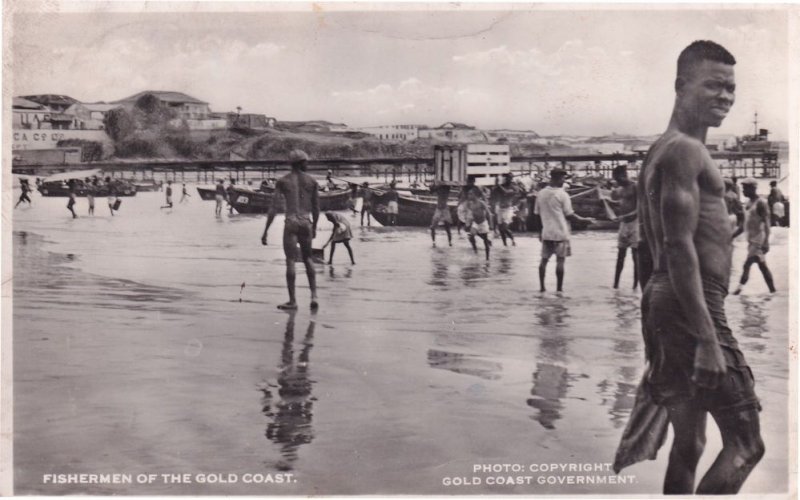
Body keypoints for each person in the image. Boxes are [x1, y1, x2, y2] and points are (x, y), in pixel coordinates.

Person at [625, 41, 764, 494]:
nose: (725, 96)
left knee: (690, 443)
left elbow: (651, 249)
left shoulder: (660, 150)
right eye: (713, 85)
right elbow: (677, 245)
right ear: (681, 86)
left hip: (667, 303)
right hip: (695, 303)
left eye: (731, 88)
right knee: (746, 444)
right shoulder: (686, 150)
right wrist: (706, 341)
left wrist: (656, 329)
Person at [261, 149, 320, 310]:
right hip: (305, 221)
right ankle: (314, 296)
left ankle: (293, 301)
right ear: (301, 163)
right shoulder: (312, 181)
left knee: (291, 260)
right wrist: (314, 226)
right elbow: (316, 208)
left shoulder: (283, 181)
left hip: (291, 222)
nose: (308, 164)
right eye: (306, 162)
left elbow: (273, 207)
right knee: (308, 259)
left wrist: (266, 231)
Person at [534, 168, 594, 293]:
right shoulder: (562, 194)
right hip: (561, 233)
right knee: (560, 261)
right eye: (562, 178)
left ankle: (542, 288)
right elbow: (570, 215)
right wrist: (584, 220)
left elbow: (537, 215)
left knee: (544, 260)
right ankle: (559, 289)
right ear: (557, 178)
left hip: (546, 233)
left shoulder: (540, 194)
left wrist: (540, 232)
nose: (563, 181)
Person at [732, 179, 776, 294]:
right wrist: (731, 236)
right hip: (751, 241)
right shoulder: (747, 203)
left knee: (747, 264)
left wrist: (766, 242)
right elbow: (743, 226)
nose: (743, 191)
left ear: (753, 188)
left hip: (759, 240)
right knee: (762, 267)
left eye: (745, 188)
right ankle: (773, 292)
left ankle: (738, 291)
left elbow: (767, 223)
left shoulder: (761, 203)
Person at [605, 165, 639, 289]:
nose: (617, 182)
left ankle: (635, 285)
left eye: (618, 179)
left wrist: (625, 216)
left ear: (624, 176)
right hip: (624, 224)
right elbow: (622, 203)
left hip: (635, 223)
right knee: (620, 255)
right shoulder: (621, 189)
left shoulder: (636, 187)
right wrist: (610, 202)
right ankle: (616, 285)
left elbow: (640, 208)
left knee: (636, 257)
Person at [465, 188, 492, 260]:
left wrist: (491, 224)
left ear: (475, 195)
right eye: (468, 194)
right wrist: (468, 223)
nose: (469, 196)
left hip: (483, 222)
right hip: (475, 223)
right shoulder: (470, 204)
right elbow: (470, 215)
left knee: (485, 241)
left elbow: (489, 213)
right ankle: (475, 251)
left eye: (470, 194)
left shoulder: (481, 203)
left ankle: (487, 258)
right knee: (471, 237)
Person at [496, 173, 519, 246]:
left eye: (508, 178)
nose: (507, 179)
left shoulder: (514, 187)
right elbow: (496, 193)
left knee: (504, 227)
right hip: (500, 208)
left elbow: (506, 192)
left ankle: (512, 240)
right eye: (506, 178)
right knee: (500, 229)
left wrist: (498, 184)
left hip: (508, 209)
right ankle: (504, 244)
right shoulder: (501, 186)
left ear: (511, 178)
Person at [429, 183, 453, 247]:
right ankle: (434, 242)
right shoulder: (439, 187)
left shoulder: (446, 186)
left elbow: (432, 191)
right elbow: (431, 191)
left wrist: (435, 185)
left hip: (444, 209)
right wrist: (432, 186)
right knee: (433, 227)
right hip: (439, 209)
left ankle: (450, 242)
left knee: (447, 227)